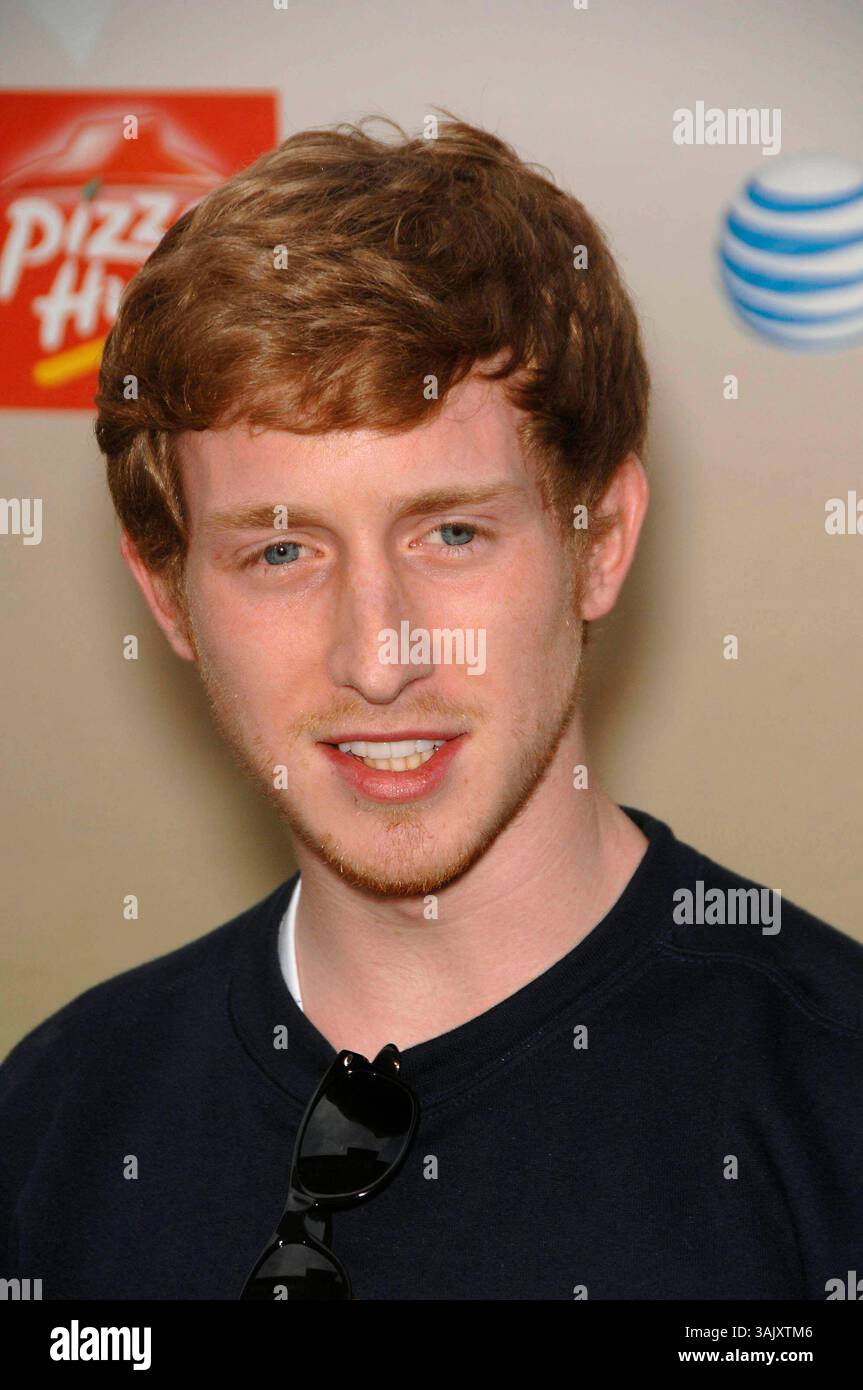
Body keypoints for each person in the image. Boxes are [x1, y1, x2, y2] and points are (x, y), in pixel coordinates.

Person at [2, 113, 861, 1302]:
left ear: (597, 542)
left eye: (451, 532)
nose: (379, 655)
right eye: (282, 552)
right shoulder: (51, 1126)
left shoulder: (832, 1103)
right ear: (170, 595)